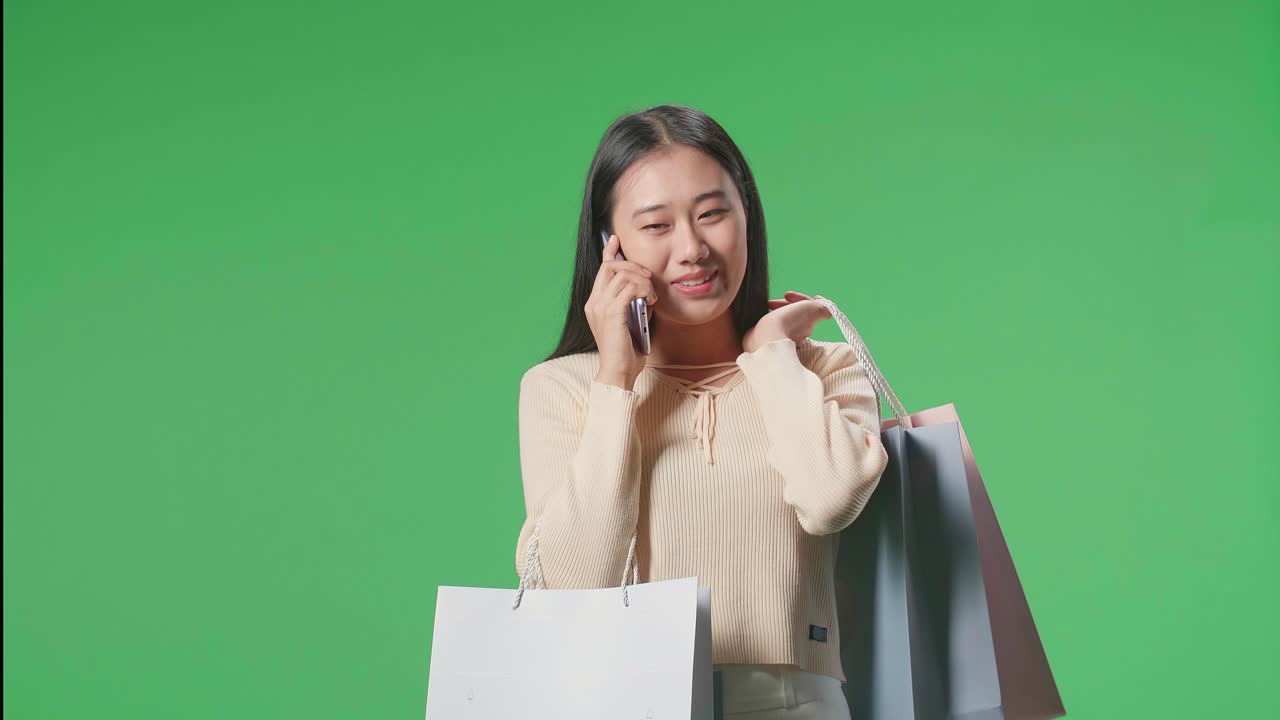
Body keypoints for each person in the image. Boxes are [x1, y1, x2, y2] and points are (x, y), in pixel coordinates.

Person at [514, 104, 888, 719]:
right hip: (626, 700)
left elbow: (830, 501)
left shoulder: (819, 368)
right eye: (656, 225)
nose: (692, 248)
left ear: (748, 217)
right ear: (611, 247)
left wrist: (770, 356)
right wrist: (617, 379)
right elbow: (576, 584)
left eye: (713, 213)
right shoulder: (563, 388)